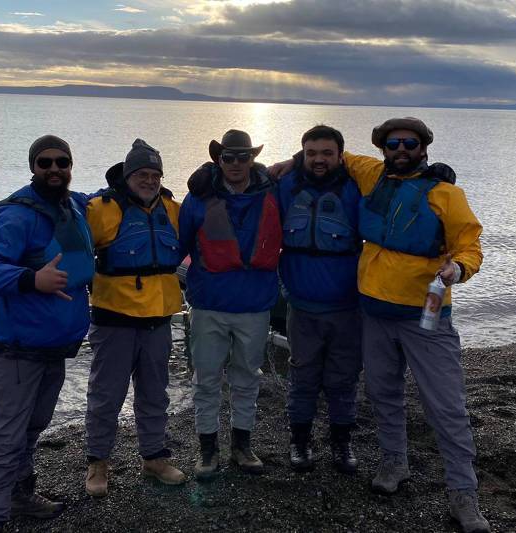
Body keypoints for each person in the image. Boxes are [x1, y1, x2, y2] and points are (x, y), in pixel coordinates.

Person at [342, 117, 490, 533]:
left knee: (446, 406)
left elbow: (470, 245)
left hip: (425, 320)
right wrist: (282, 165)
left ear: (423, 147)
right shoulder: (371, 173)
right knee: (382, 393)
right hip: (373, 314)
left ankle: (464, 494)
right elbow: (335, 154)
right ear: (383, 148)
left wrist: (458, 270)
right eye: (393, 144)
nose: (401, 149)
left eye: (409, 143)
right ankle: (394, 463)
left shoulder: (447, 194)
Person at [0, 135, 94, 533]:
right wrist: (30, 279)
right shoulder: (16, 214)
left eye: (62, 162)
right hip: (13, 349)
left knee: (32, 427)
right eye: (45, 163)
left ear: (71, 166)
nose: (54, 169)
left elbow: (105, 192)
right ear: (33, 167)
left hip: (53, 348)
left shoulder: (72, 205)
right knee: (6, 436)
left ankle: (21, 496)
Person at [83, 139, 186, 496]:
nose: (149, 180)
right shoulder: (100, 208)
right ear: (127, 176)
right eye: (142, 174)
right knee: (105, 395)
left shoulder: (173, 209)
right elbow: (70, 246)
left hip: (158, 320)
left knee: (155, 394)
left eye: (155, 174)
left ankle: (154, 458)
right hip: (115, 321)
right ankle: (98, 464)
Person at [178, 129, 281, 480]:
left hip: (254, 306)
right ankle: (208, 451)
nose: (236, 164)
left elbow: (317, 175)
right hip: (209, 304)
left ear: (253, 158)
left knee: (247, 379)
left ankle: (242, 446)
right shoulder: (197, 198)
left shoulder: (274, 191)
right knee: (206, 379)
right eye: (228, 157)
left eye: (243, 157)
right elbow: (178, 244)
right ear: (217, 159)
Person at [276, 125, 362, 474]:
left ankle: (342, 443)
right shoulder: (286, 185)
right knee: (303, 376)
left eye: (327, 153)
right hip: (302, 307)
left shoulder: (357, 188)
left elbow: (398, 184)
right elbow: (239, 184)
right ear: (303, 155)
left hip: (347, 308)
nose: (319, 160)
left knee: (343, 379)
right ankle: (300, 441)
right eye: (311, 153)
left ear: (341, 155)